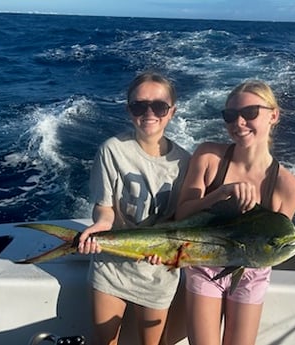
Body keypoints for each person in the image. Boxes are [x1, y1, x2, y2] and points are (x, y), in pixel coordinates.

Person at [175, 80, 295, 345]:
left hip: (251, 273)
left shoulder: (286, 186)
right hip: (203, 264)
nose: (239, 122)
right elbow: (182, 215)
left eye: (250, 113)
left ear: (274, 115)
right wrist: (220, 193)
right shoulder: (209, 156)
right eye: (230, 116)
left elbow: (275, 245)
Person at [77, 71, 190, 345]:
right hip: (112, 265)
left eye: (159, 106)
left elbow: (180, 219)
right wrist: (101, 225)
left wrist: (165, 253)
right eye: (140, 105)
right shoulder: (111, 150)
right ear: (129, 110)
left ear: (172, 112)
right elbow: (104, 208)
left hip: (158, 270)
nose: (149, 113)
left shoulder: (185, 162)